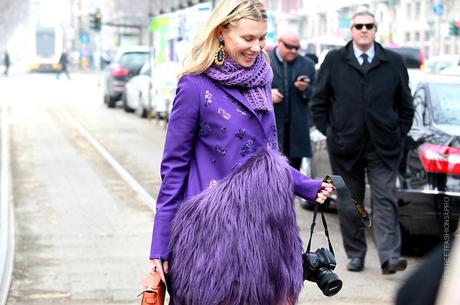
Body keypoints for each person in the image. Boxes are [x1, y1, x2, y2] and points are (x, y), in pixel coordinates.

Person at [146, 0, 335, 304]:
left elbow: (267, 158)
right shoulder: (194, 86)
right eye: (248, 38)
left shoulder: (261, 82)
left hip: (268, 232)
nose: (257, 47)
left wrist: (308, 186)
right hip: (212, 235)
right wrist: (160, 248)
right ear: (221, 32)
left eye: (262, 38)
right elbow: (173, 170)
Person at [310, 8, 414, 275]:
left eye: (369, 25)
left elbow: (405, 104)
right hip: (345, 146)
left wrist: (399, 132)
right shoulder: (335, 60)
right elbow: (318, 102)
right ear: (352, 30)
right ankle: (355, 254)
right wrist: (332, 133)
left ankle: (390, 256)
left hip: (383, 146)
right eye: (359, 26)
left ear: (375, 29)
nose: (364, 30)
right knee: (350, 202)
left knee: (385, 199)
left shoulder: (392, 61)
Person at [269, 32, 316, 170]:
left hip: (297, 129)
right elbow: (249, 90)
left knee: (294, 174)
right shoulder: (265, 61)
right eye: (289, 47)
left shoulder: (307, 64)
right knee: (272, 171)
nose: (293, 51)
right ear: (279, 42)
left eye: (297, 47)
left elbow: (318, 94)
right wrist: (268, 95)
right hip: (273, 127)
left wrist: (305, 88)